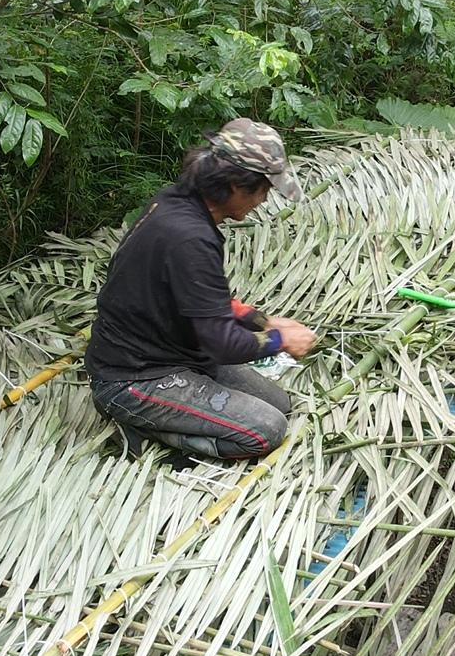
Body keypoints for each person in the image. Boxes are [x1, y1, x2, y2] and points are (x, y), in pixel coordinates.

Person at [86, 118, 317, 461]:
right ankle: (143, 427)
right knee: (266, 430)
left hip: (176, 352)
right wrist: (280, 341)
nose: (263, 200)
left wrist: (263, 321)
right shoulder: (190, 238)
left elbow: (204, 301)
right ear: (237, 185)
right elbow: (223, 344)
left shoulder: (177, 203)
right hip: (132, 376)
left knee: (280, 404)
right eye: (263, 190)